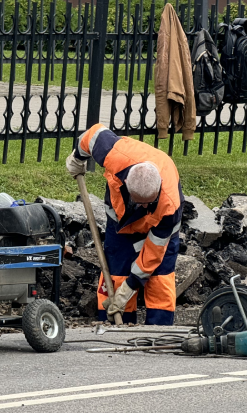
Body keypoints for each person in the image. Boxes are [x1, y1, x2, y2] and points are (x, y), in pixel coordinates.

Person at [65, 124, 183, 325]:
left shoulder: (170, 205)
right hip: (121, 224)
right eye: (139, 202)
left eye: (148, 203)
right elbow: (92, 136)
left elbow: (153, 253)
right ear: (127, 182)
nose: (144, 206)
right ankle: (116, 325)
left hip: (157, 229)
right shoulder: (116, 154)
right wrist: (78, 157)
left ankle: (159, 334)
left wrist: (131, 286)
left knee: (159, 279)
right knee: (116, 274)